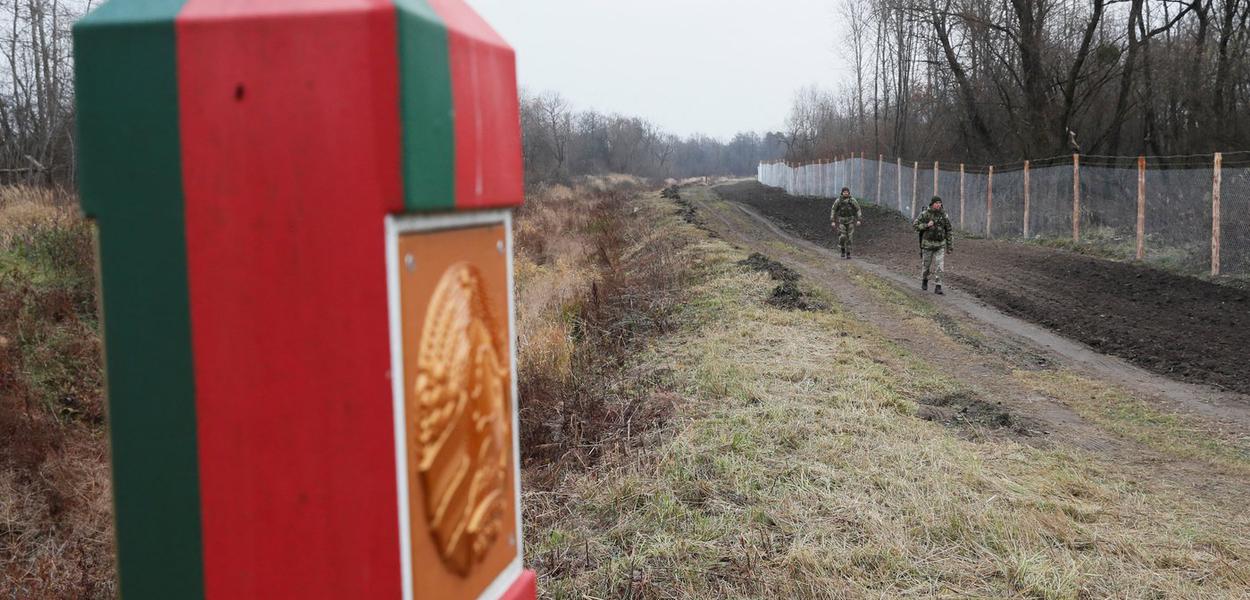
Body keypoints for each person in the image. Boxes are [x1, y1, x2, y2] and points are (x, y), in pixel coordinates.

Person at [913, 196, 952, 295]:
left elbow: (949, 230)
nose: (939, 205)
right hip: (928, 244)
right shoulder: (925, 214)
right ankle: (924, 279)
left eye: (940, 203)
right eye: (937, 203)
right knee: (926, 266)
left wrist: (949, 245)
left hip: (940, 244)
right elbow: (915, 225)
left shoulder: (944, 215)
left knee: (940, 266)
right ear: (932, 204)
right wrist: (926, 225)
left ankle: (938, 286)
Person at [830, 187, 862, 259]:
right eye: (844, 192)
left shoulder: (852, 200)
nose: (846, 193)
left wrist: (859, 219)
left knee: (850, 237)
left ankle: (848, 253)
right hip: (841, 221)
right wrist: (832, 220)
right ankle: (842, 250)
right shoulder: (838, 201)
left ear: (849, 193)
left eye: (847, 192)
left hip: (850, 221)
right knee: (843, 237)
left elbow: (858, 209)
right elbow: (833, 210)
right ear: (842, 193)